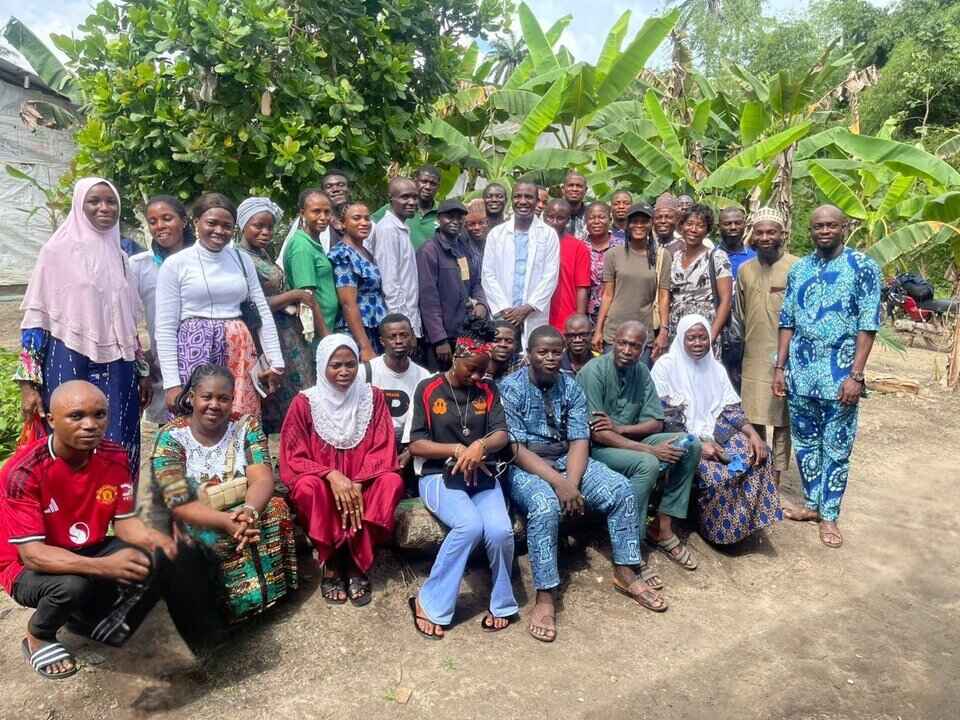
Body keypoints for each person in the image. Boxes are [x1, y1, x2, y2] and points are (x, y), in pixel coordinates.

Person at [1, 381, 179, 679]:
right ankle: (38, 635)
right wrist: (103, 566)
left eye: (99, 415)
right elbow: (32, 556)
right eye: (76, 416)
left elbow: (124, 522)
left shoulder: (114, 455)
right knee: (71, 586)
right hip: (24, 566)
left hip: (85, 547)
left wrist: (158, 541)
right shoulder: (23, 471)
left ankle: (85, 617)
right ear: (51, 419)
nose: (90, 425)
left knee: (149, 558)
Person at [502, 326, 658, 636]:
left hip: (566, 459)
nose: (549, 358)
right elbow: (515, 448)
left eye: (555, 352)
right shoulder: (511, 387)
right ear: (529, 354)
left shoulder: (570, 386)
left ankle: (625, 568)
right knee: (545, 507)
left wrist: (571, 482)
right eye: (542, 352)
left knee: (621, 490)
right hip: (527, 465)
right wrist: (559, 486)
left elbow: (578, 439)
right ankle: (545, 595)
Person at [16, 177, 150, 486]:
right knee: (71, 435)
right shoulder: (56, 252)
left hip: (118, 364)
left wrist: (142, 370)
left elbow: (127, 321)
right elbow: (36, 320)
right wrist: (28, 385)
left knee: (118, 437)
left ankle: (117, 518)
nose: (104, 207)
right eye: (95, 201)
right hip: (68, 356)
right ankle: (69, 518)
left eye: (111, 201)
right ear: (79, 205)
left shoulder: (120, 257)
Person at [151, 365, 298, 621]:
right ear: (192, 397)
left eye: (223, 398)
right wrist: (225, 521)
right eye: (207, 397)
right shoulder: (171, 437)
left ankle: (268, 595)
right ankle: (220, 610)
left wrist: (249, 511)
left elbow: (263, 477)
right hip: (196, 513)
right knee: (190, 532)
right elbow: (176, 501)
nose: (214, 405)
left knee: (274, 508)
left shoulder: (245, 426)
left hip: (244, 508)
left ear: (232, 399)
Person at [774, 205, 882, 548]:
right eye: (818, 225)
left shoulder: (863, 267)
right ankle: (811, 504)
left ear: (843, 227)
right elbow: (787, 320)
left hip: (841, 374)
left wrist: (857, 375)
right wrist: (780, 367)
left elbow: (868, 325)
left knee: (836, 446)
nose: (824, 230)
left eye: (831, 225)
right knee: (805, 444)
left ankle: (830, 514)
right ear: (811, 229)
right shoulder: (800, 268)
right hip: (802, 373)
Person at [407, 325, 517, 639]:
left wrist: (480, 447)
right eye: (472, 370)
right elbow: (416, 444)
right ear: (457, 358)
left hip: (481, 474)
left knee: (500, 530)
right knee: (469, 526)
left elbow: (501, 434)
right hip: (437, 474)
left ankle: (502, 602)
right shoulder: (428, 389)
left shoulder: (488, 389)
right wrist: (457, 449)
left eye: (484, 371)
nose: (478, 377)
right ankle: (429, 601)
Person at [280, 334, 404, 605]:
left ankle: (358, 562)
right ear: (322, 366)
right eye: (336, 365)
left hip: (364, 480)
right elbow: (293, 455)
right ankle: (332, 561)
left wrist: (358, 482)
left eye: (351, 364)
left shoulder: (372, 397)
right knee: (305, 487)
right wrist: (332, 475)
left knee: (391, 481)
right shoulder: (305, 403)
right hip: (325, 484)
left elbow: (383, 445)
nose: (345, 371)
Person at [579, 321, 702, 577]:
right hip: (598, 449)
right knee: (647, 464)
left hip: (626, 440)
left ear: (643, 348)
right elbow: (598, 433)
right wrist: (649, 451)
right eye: (622, 343)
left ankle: (663, 527)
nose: (627, 350)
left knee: (689, 444)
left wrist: (621, 428)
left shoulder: (642, 371)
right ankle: (630, 545)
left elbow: (656, 422)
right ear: (613, 342)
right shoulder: (595, 371)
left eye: (634, 346)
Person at [651, 315, 782, 545]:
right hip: (681, 437)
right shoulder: (666, 366)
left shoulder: (716, 368)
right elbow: (664, 417)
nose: (698, 343)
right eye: (691, 338)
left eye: (703, 338)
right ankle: (715, 530)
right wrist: (698, 445)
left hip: (715, 431)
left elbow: (730, 409)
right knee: (719, 474)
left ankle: (742, 524)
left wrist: (753, 435)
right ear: (681, 338)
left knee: (758, 455)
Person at [155, 192, 285, 417]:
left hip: (240, 350)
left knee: (239, 419)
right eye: (211, 223)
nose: (219, 231)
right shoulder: (175, 264)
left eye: (227, 226)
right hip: (194, 351)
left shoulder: (241, 259)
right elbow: (165, 328)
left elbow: (261, 310)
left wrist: (276, 362)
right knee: (197, 420)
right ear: (196, 223)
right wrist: (172, 384)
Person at [237, 197, 322, 434]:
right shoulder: (240, 258)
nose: (265, 232)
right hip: (265, 336)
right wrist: (293, 295)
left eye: (269, 227)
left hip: (287, 335)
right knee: (273, 396)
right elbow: (249, 304)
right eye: (258, 226)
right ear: (243, 225)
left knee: (300, 395)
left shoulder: (262, 254)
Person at [735, 207, 798, 490]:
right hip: (753, 355)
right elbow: (739, 314)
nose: (765, 237)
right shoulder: (745, 270)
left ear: (782, 234)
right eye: (759, 232)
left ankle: (775, 480)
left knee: (782, 422)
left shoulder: (796, 267)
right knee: (754, 416)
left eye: (771, 231)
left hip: (786, 357)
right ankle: (757, 478)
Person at [129, 195, 195, 424]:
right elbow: (125, 314)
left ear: (184, 221)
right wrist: (142, 357)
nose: (160, 226)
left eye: (167, 218)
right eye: (153, 221)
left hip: (205, 358)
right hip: (165, 366)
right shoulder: (140, 266)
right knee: (171, 430)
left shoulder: (203, 259)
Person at [481, 181, 560, 347]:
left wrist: (527, 308)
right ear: (512, 200)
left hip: (533, 314)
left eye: (528, 197)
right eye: (518, 196)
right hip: (503, 313)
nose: (523, 201)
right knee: (499, 357)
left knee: (532, 357)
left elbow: (550, 276)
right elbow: (488, 275)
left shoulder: (548, 235)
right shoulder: (497, 234)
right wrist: (505, 310)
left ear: (537, 201)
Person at [593, 202, 671, 359]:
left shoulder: (662, 256)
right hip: (614, 331)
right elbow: (607, 295)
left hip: (643, 333)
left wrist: (663, 331)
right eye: (635, 221)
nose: (639, 225)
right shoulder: (613, 254)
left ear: (651, 224)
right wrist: (598, 330)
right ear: (627, 225)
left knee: (639, 380)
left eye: (644, 221)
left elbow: (664, 296)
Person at [417, 199, 488, 370]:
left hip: (465, 333)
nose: (455, 221)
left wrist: (481, 303)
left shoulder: (463, 248)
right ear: (439, 219)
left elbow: (475, 281)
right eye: (450, 217)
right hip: (442, 339)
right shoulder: (429, 251)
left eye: (459, 217)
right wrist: (439, 339)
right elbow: (428, 298)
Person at [366, 314, 431, 475]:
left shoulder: (424, 376)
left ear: (412, 338)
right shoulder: (366, 372)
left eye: (404, 335)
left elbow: (429, 422)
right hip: (373, 444)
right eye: (392, 336)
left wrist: (411, 451)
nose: (398, 340)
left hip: (408, 443)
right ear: (382, 341)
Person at [664, 204, 732, 352]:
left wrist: (711, 335)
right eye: (689, 224)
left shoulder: (717, 257)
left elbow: (726, 300)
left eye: (700, 226)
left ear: (707, 230)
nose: (693, 230)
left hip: (705, 328)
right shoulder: (674, 258)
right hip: (677, 327)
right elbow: (668, 296)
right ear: (681, 227)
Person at [328, 201, 388, 361]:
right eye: (356, 218)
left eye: (367, 218)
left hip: (373, 328)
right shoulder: (343, 254)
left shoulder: (364, 251)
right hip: (356, 332)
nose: (364, 223)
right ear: (342, 224)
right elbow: (348, 303)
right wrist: (365, 346)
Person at [368, 178, 423, 341]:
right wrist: (403, 328)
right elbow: (390, 284)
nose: (412, 202)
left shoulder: (402, 228)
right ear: (390, 199)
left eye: (414, 197)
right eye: (405, 197)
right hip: (399, 327)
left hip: (409, 320)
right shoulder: (388, 230)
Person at [283, 188, 341, 335]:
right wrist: (326, 337)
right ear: (303, 213)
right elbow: (307, 297)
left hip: (326, 325)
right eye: (316, 211)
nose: (323, 217)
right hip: (318, 333)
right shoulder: (302, 247)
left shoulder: (313, 241)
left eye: (327, 212)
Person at [542, 198, 590, 333]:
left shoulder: (578, 247)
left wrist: (579, 320)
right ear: (543, 217)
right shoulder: (534, 243)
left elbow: (582, 287)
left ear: (568, 220)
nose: (554, 223)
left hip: (565, 318)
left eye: (560, 218)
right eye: (550, 217)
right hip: (536, 316)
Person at [372, 165, 441, 250]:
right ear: (415, 181)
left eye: (433, 184)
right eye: (424, 181)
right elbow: (368, 229)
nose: (427, 187)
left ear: (438, 187)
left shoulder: (443, 215)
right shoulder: (395, 208)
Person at [583, 201, 622, 325]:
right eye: (591, 218)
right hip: (586, 316)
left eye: (601, 217)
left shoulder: (622, 247)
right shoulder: (580, 247)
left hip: (616, 313)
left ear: (610, 219)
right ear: (585, 221)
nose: (596, 221)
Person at [718, 207, 756, 279]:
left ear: (744, 225)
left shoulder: (755, 258)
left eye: (738, 223)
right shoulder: (711, 257)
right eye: (727, 224)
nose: (733, 227)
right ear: (719, 227)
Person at [485, 320, 525, 386]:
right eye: (496, 341)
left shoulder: (521, 363)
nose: (503, 345)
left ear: (515, 345)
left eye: (509, 341)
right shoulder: (479, 362)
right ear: (486, 342)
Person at [561, 172, 588, 240]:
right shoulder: (551, 214)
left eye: (579, 186)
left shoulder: (591, 215)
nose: (574, 189)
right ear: (563, 189)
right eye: (570, 185)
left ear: (585, 190)